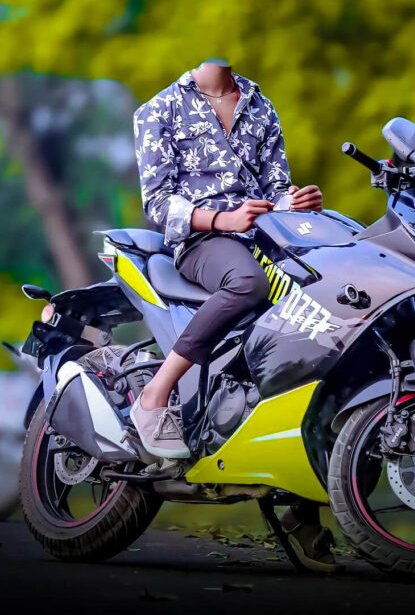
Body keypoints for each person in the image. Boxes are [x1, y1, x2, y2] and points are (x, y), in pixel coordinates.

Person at [131, 58, 335, 571]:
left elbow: (273, 190)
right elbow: (159, 204)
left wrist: (296, 201)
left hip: (264, 238)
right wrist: (222, 218)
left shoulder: (259, 104)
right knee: (247, 284)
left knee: (317, 323)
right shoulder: (159, 109)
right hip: (203, 243)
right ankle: (156, 394)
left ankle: (299, 506)